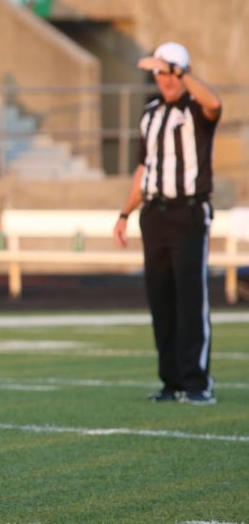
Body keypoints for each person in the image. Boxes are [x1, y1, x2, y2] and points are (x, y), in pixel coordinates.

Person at [113, 41, 222, 406]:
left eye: (170, 71)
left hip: (188, 212)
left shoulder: (196, 109)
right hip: (155, 215)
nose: (165, 79)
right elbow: (143, 171)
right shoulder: (150, 114)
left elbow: (214, 104)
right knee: (161, 299)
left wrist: (179, 69)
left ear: (182, 71)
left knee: (191, 298)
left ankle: (197, 382)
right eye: (159, 72)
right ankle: (171, 382)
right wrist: (125, 213)